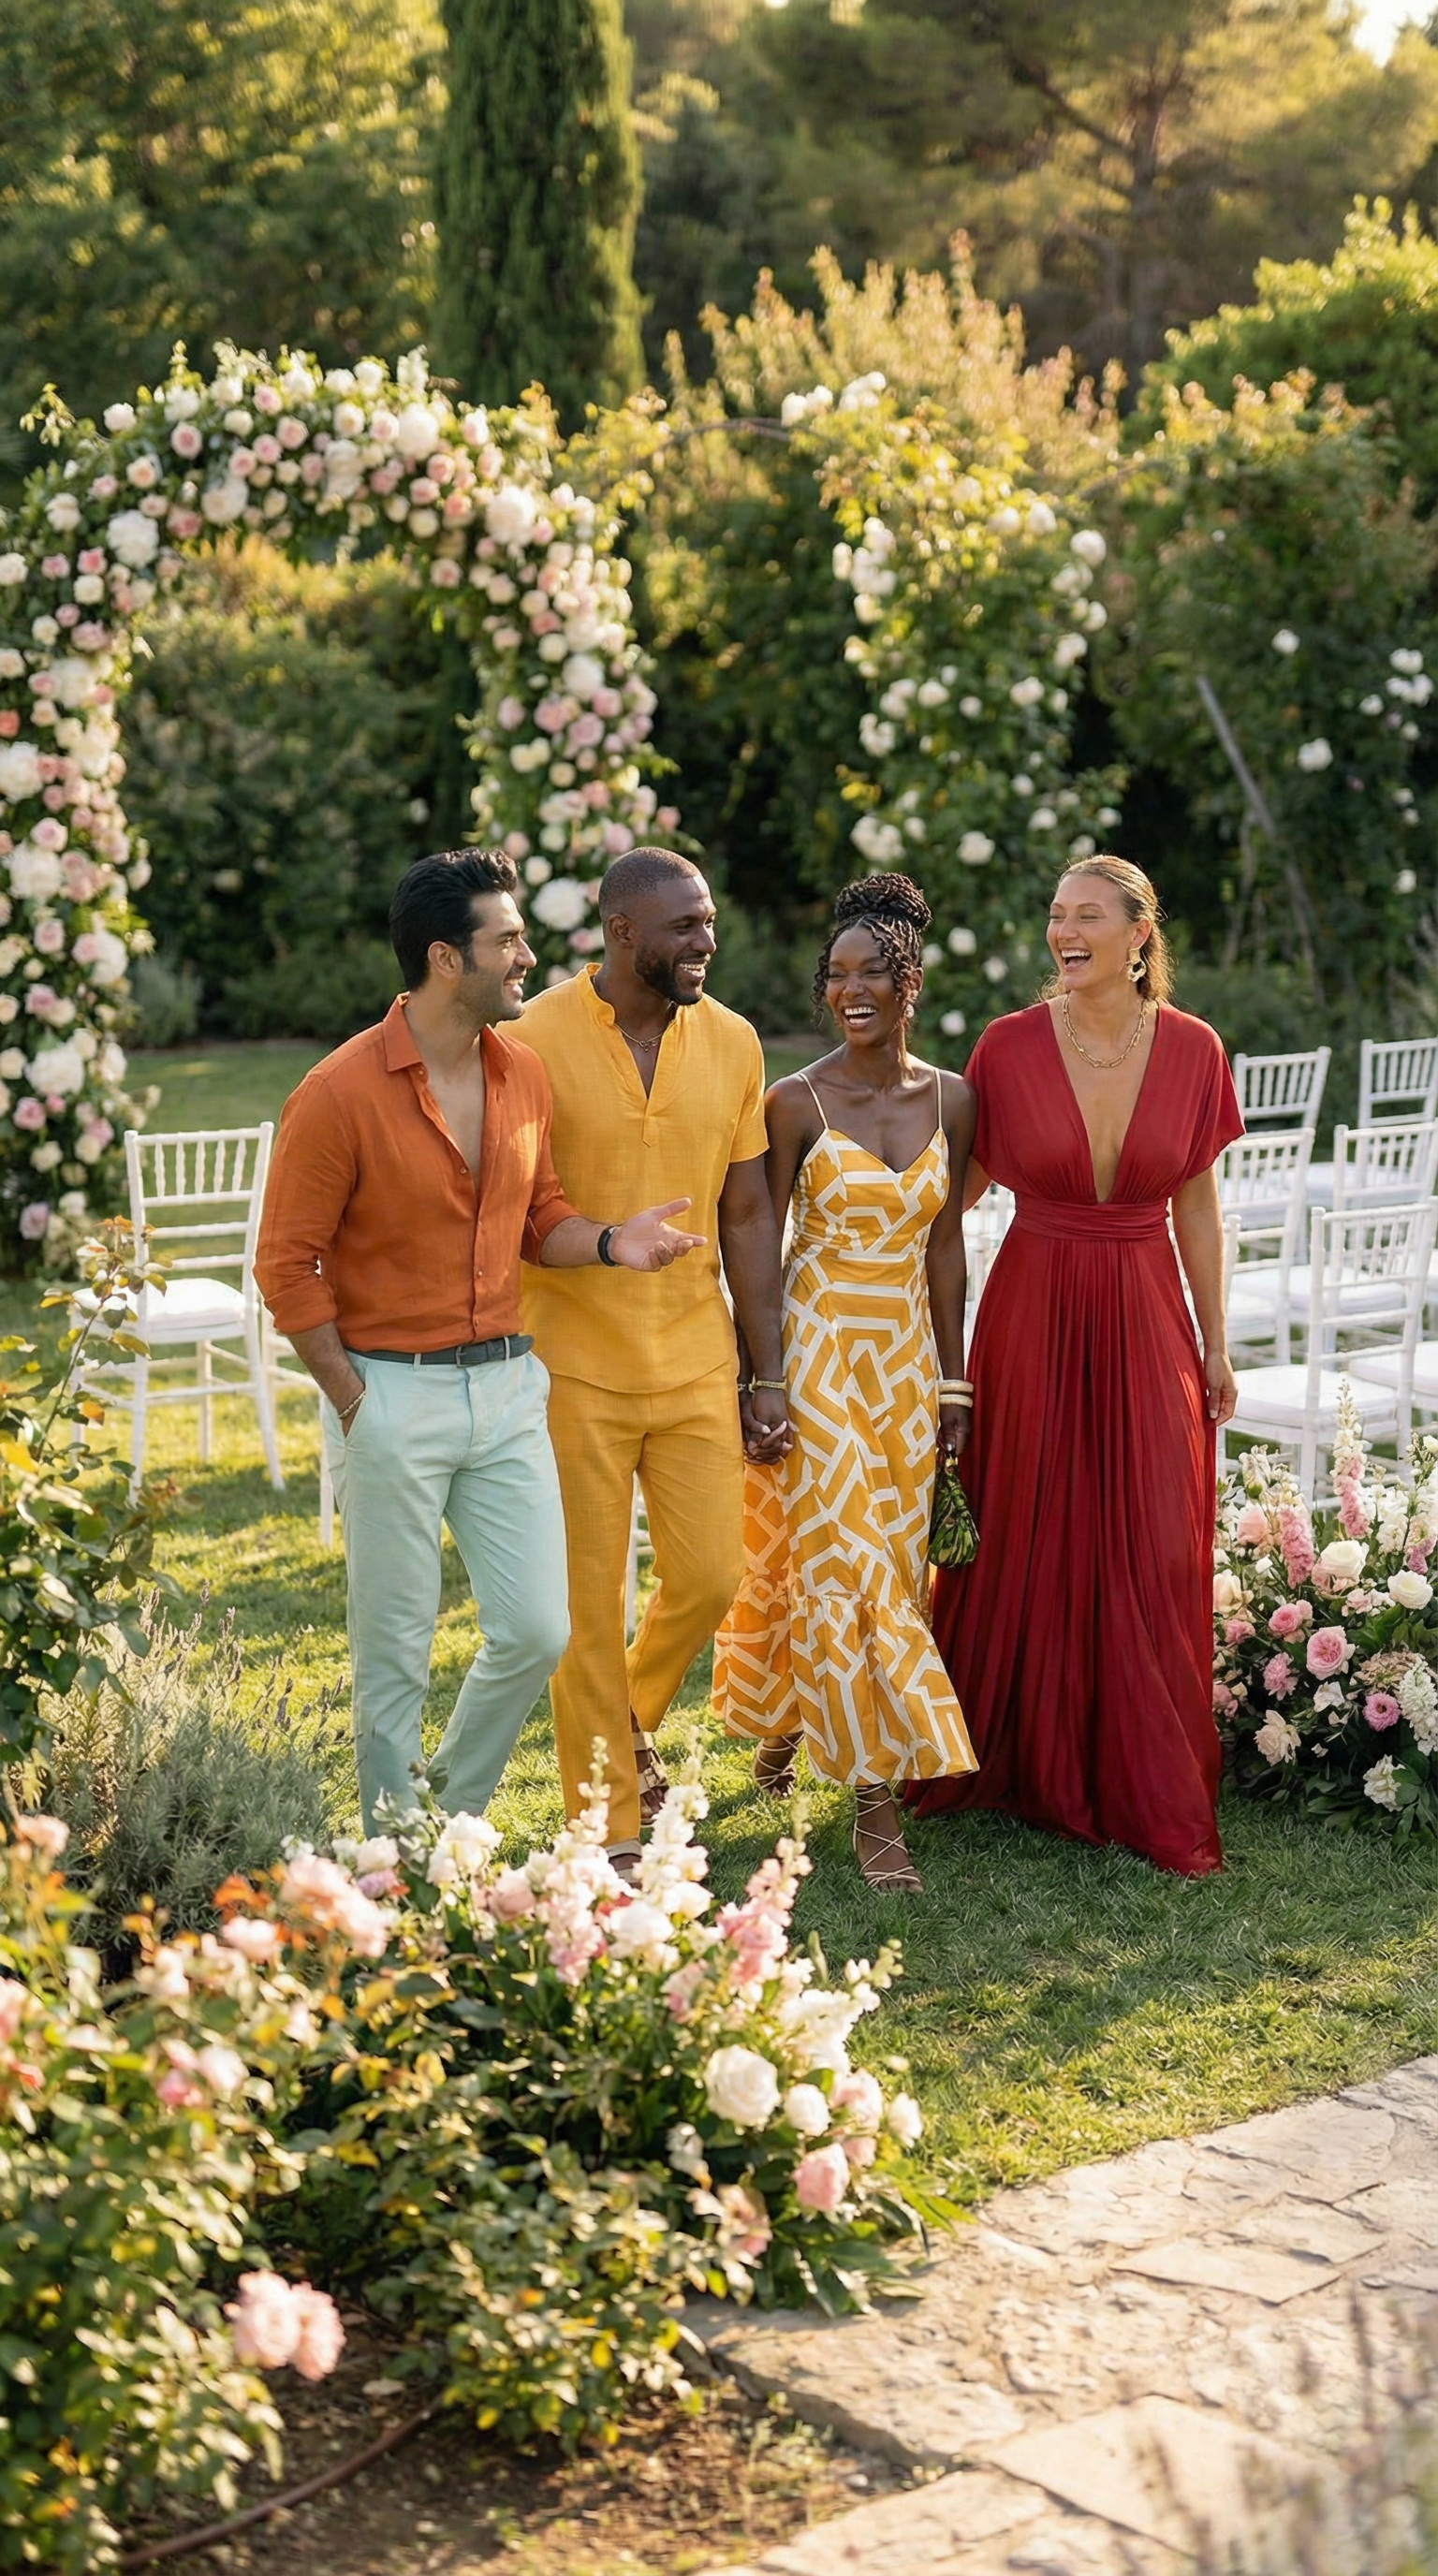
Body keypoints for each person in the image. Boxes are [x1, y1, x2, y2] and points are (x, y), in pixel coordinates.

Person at [254, 848, 703, 1837]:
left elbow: (540, 1216)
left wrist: (611, 1242)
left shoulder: (522, 1074)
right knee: (396, 1652)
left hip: (506, 1390)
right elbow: (287, 1266)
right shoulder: (337, 1093)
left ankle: (444, 1815)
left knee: (539, 1629)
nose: (526, 958)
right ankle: (396, 1863)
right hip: (387, 1394)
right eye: (507, 941)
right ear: (445, 959)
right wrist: (353, 1399)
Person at [906, 856, 1241, 1877]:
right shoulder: (1006, 1047)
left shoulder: (1194, 1048)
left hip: (1146, 1311)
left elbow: (1195, 1206)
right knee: (1024, 1517)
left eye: (1088, 915)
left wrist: (1217, 1342)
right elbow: (949, 1202)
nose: (1066, 929)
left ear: (1141, 934)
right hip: (1033, 1308)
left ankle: (1135, 1763)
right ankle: (1007, 1755)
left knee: (1147, 1526)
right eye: (1056, 913)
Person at [519, 847, 790, 1867]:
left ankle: (623, 1721)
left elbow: (750, 1207)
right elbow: (511, 1205)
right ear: (621, 932)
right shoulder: (533, 1039)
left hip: (692, 1356)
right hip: (569, 1365)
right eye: (683, 926)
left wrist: (767, 1368)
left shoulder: (733, 1041)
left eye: (710, 920)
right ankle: (614, 1823)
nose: (705, 942)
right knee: (587, 1606)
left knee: (711, 1577)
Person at [714, 874, 978, 1893]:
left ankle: (784, 1720)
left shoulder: (953, 1097)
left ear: (912, 980)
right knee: (849, 1565)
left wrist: (954, 1387)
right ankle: (876, 1807)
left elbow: (947, 1246)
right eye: (837, 975)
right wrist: (763, 1379)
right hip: (820, 1353)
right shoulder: (796, 1102)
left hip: (905, 1369)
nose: (852, 990)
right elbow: (757, 1244)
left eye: (874, 972)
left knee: (884, 1568)